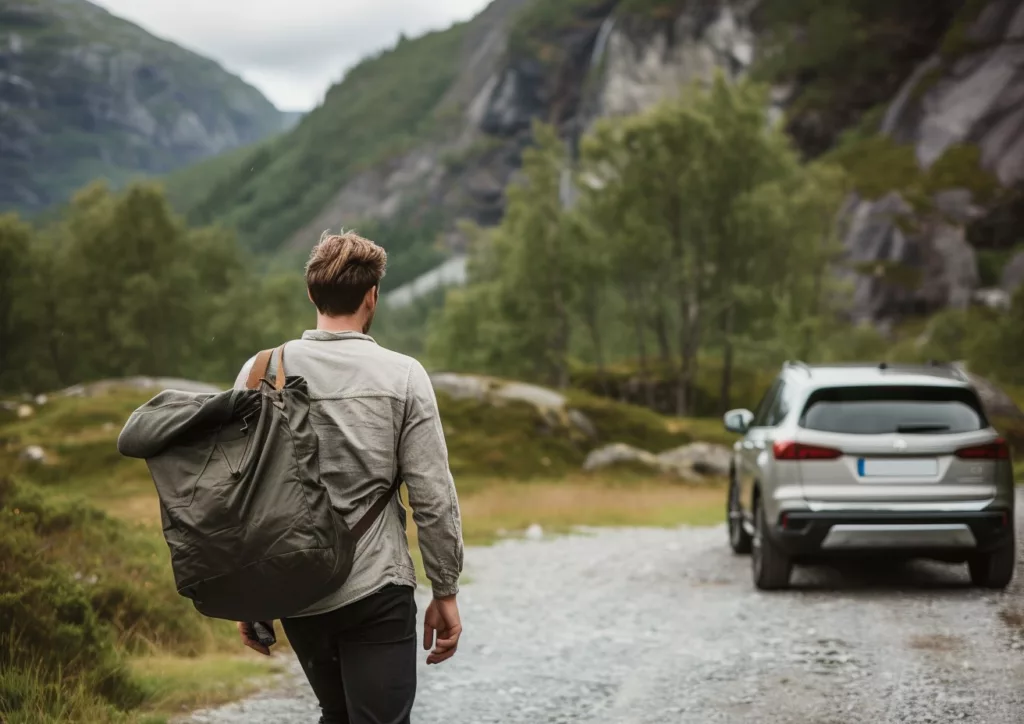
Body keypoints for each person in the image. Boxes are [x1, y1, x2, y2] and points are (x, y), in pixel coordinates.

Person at [232, 231, 465, 724]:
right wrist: (444, 590)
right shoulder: (402, 375)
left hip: (298, 590)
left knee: (336, 713)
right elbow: (433, 497)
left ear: (312, 295)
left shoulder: (258, 372)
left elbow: (237, 495)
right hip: (376, 586)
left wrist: (249, 596)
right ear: (371, 296)